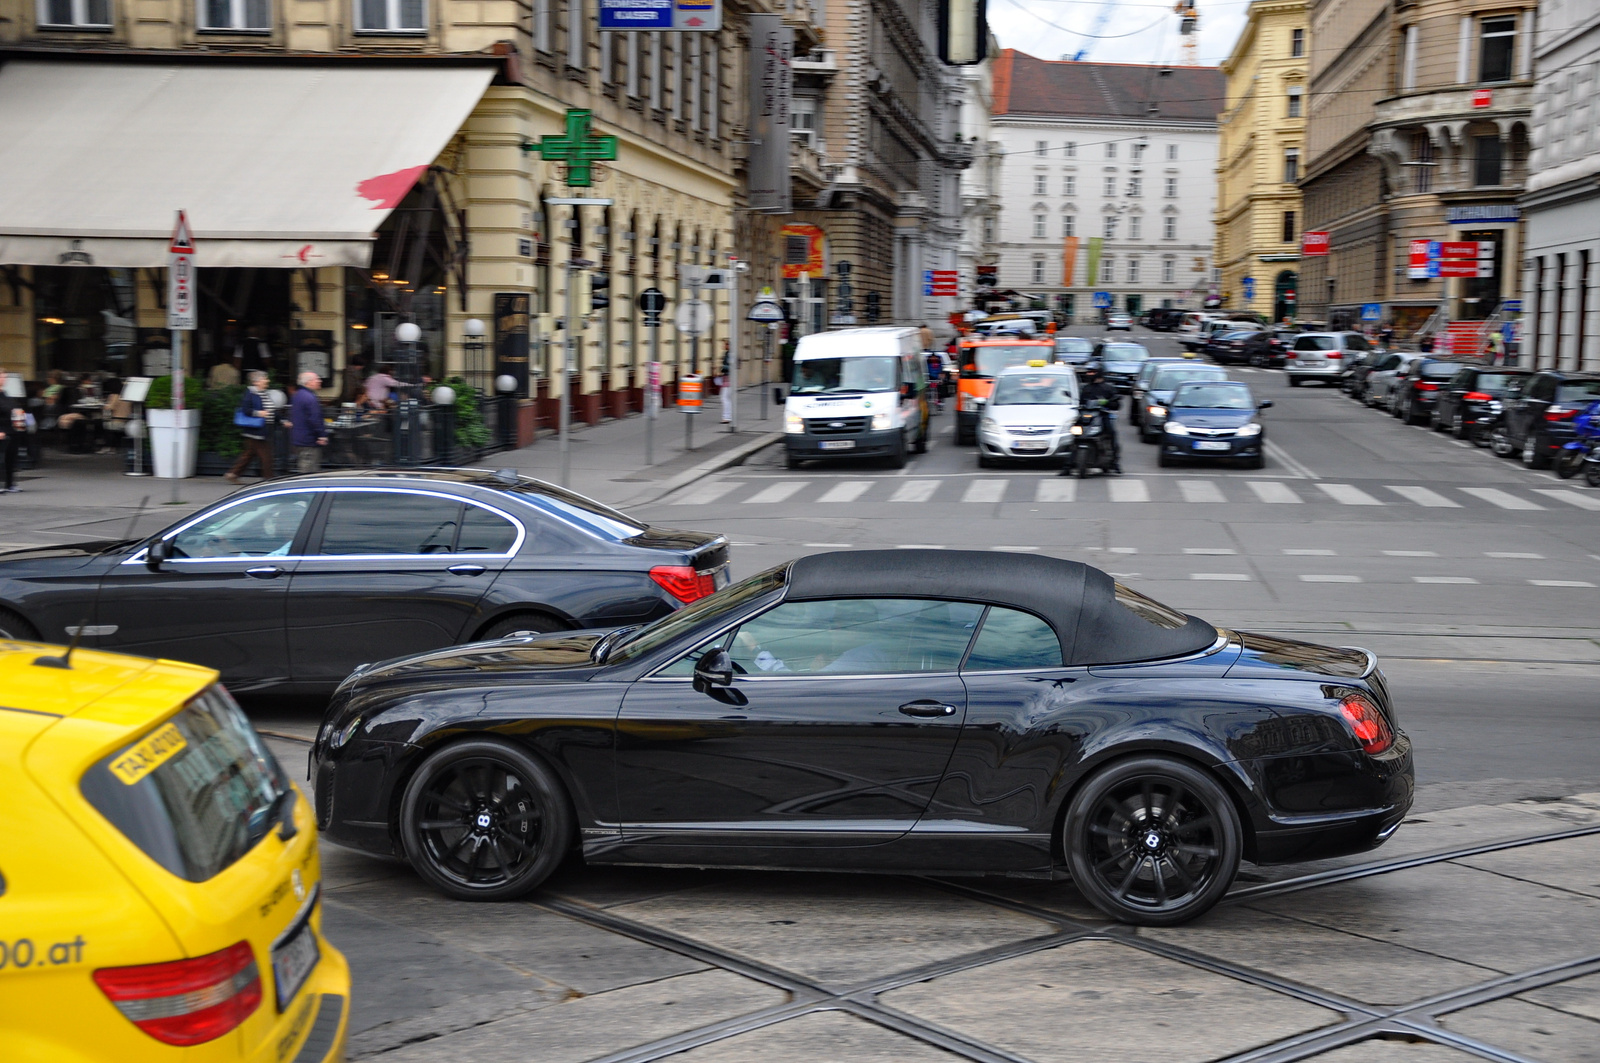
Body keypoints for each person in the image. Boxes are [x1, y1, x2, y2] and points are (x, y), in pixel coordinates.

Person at [1062, 365, 1121, 476]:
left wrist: (1108, 403)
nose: (1090, 375)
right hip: (1086, 415)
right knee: (1075, 435)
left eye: (1092, 372)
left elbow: (1116, 404)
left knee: (1111, 433)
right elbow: (1080, 401)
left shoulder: (1108, 388)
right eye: (1089, 372)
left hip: (1102, 416)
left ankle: (1114, 462)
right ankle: (1068, 466)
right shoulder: (1085, 388)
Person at [225, 371, 276, 483]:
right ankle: (269, 479)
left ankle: (233, 473)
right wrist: (259, 413)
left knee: (249, 453)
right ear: (256, 382)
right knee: (266, 456)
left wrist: (281, 419)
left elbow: (272, 409)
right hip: (256, 430)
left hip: (262, 429)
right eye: (265, 379)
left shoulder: (263, 393)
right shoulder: (251, 394)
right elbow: (246, 410)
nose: (268, 381)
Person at [285, 371, 328, 474]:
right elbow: (315, 418)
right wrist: (321, 435)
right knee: (309, 470)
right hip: (309, 439)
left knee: (304, 465)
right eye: (317, 379)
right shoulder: (310, 397)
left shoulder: (297, 395)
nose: (320, 381)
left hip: (299, 437)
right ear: (309, 382)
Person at [0, 370, 24, 493]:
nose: (4, 378)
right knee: (1, 459)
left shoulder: (6, 395)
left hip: (12, 430)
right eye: (1, 376)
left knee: (11, 457)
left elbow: (14, 409)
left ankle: (10, 484)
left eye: (4, 376)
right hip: (2, 431)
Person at [715, 343, 732, 425]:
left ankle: (726, 417)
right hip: (727, 378)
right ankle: (728, 416)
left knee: (724, 397)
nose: (723, 346)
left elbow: (732, 366)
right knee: (727, 398)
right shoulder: (727, 353)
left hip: (729, 378)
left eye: (725, 344)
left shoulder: (730, 354)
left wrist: (722, 368)